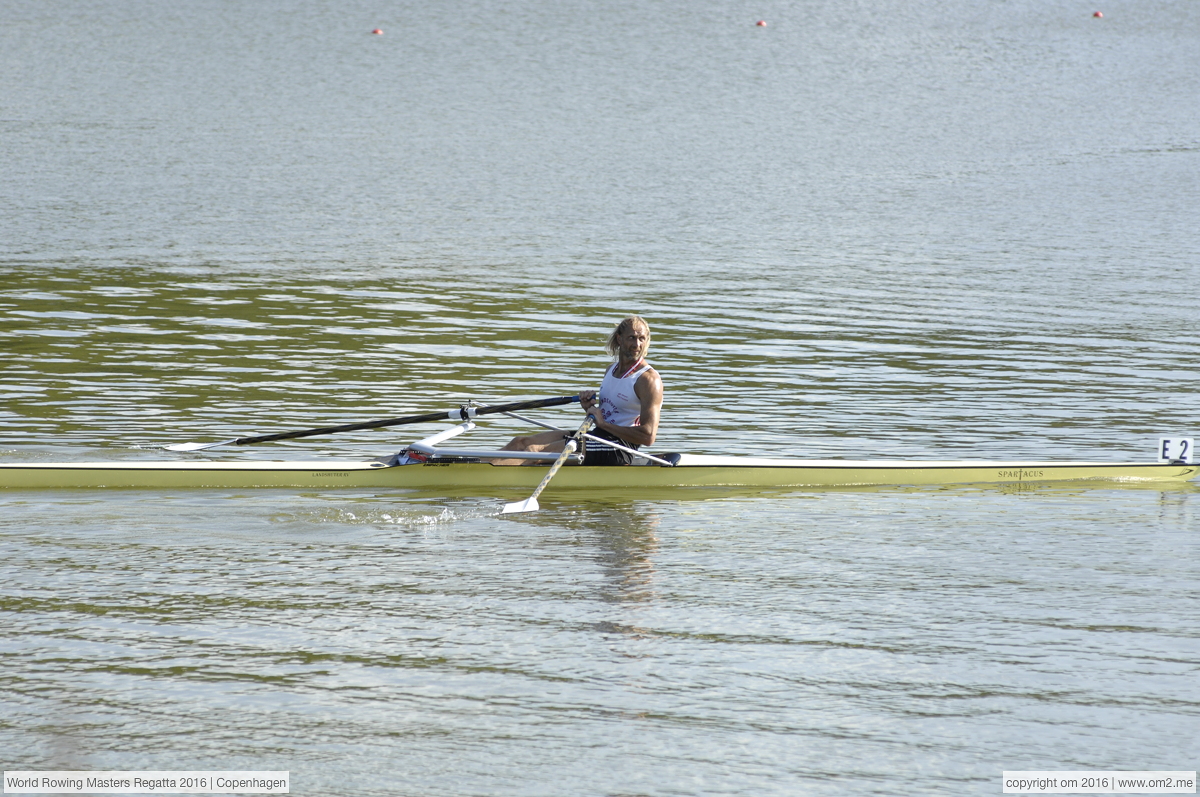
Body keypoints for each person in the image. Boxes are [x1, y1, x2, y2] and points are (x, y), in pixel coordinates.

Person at [496, 316, 663, 466]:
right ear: (619, 339)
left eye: (642, 339)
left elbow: (648, 436)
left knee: (534, 452)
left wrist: (603, 423)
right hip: (598, 436)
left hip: (620, 448)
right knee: (520, 442)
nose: (637, 344)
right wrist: (588, 407)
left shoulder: (648, 380)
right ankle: (475, 465)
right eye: (632, 338)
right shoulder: (611, 370)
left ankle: (493, 480)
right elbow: (610, 412)